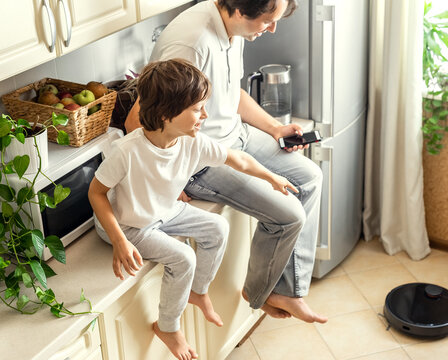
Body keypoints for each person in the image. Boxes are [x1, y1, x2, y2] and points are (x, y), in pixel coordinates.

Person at [125, 0, 327, 324]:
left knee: (310, 178)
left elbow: (231, 95)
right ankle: (260, 292)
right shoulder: (191, 43)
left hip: (235, 137)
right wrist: (166, 178)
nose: (272, 28)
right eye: (267, 20)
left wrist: (274, 128)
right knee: (289, 216)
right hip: (199, 161)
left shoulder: (234, 30)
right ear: (241, 8)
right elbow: (137, 121)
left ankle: (286, 291)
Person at [89, 58, 299, 359]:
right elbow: (96, 193)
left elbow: (237, 159)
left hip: (163, 210)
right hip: (128, 224)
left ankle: (197, 292)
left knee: (217, 227)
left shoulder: (191, 141)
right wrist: (119, 241)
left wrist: (271, 176)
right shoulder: (128, 151)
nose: (205, 115)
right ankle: (168, 327)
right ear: (166, 114)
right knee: (184, 257)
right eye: (197, 109)